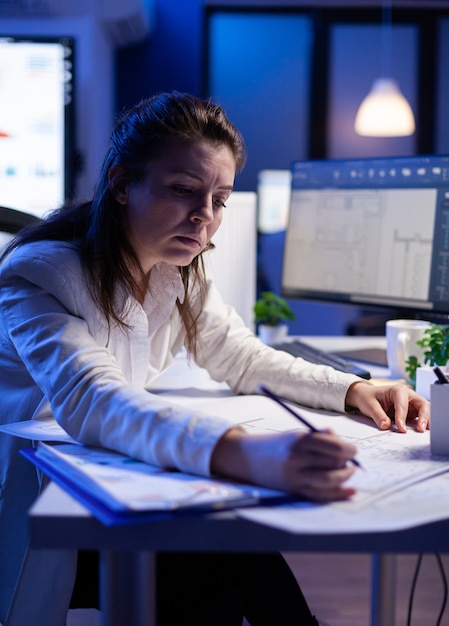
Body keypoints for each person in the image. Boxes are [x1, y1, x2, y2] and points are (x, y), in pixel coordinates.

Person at [0, 91, 429, 626]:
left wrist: (351, 390)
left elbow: (244, 358)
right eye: (183, 191)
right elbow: (93, 398)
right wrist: (247, 455)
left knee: (239, 554)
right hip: (44, 505)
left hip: (110, 479)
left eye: (220, 199)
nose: (204, 218)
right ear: (122, 185)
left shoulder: (174, 271)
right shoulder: (38, 277)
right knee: (219, 570)